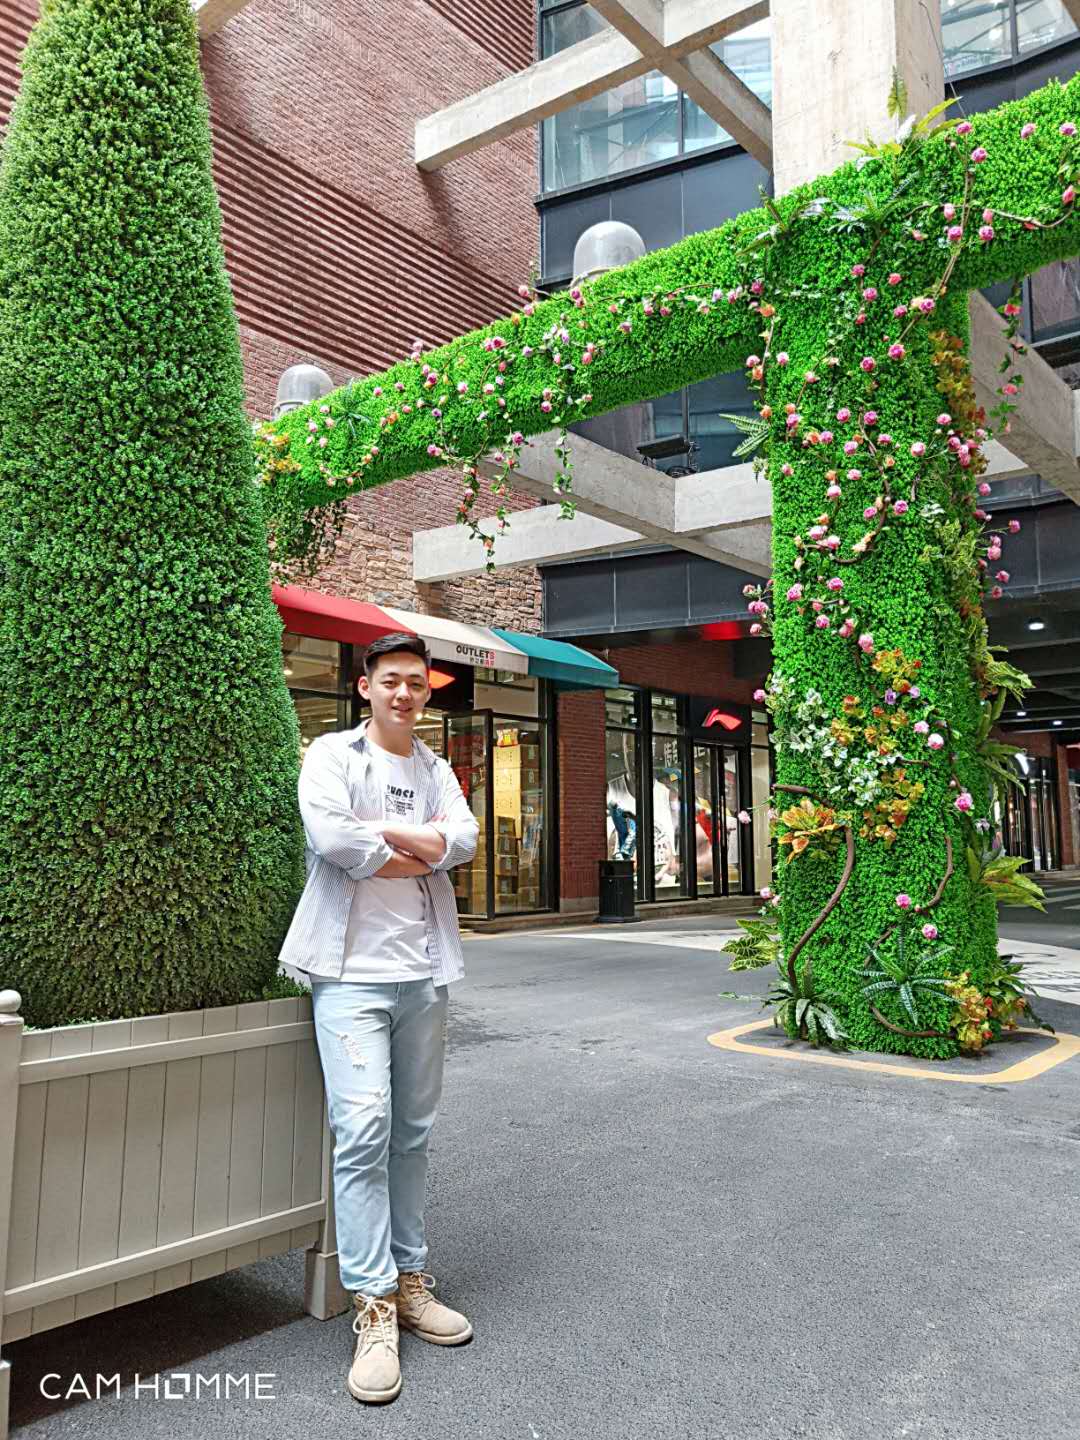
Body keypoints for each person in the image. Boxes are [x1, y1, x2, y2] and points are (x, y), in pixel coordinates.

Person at [279, 632, 480, 1405]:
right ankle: (372, 1304)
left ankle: (410, 1279)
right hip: (349, 977)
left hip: (422, 974)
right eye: (391, 680)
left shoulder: (435, 769)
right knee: (363, 1129)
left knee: (412, 1133)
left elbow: (463, 840)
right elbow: (332, 838)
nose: (405, 693)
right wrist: (420, 845)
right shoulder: (333, 756)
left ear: (427, 692)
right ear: (365, 686)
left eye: (416, 683)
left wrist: (386, 836)